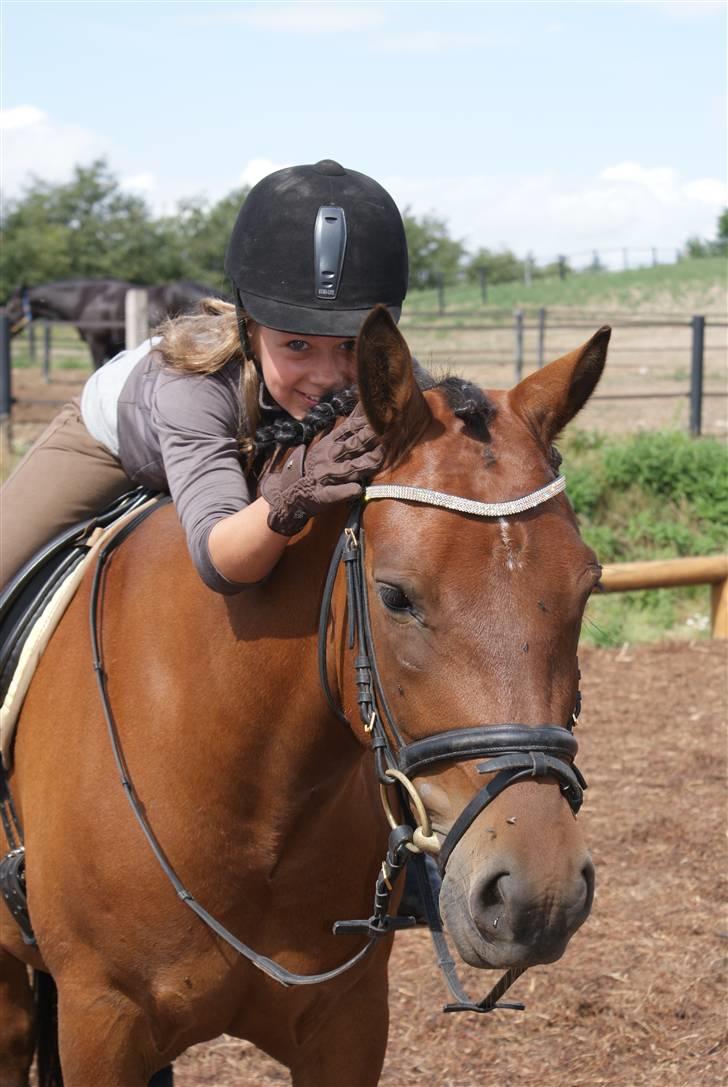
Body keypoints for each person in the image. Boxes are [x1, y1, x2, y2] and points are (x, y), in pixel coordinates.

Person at [0, 160, 410, 593]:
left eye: (350, 345)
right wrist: (295, 489)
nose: (328, 376)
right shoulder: (196, 387)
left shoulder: (386, 372)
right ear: (247, 326)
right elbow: (224, 564)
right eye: (297, 345)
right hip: (114, 443)